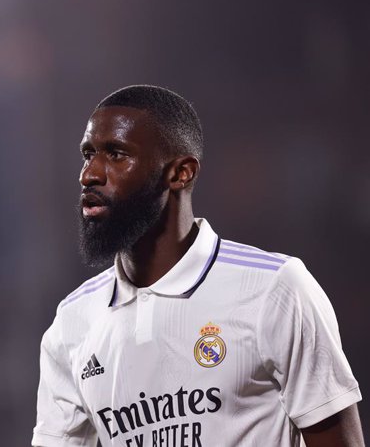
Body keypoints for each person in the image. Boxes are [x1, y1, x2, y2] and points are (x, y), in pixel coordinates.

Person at [31, 85, 364, 447]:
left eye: (116, 154)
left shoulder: (275, 289)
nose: (89, 174)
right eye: (88, 154)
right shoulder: (72, 323)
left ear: (180, 173)